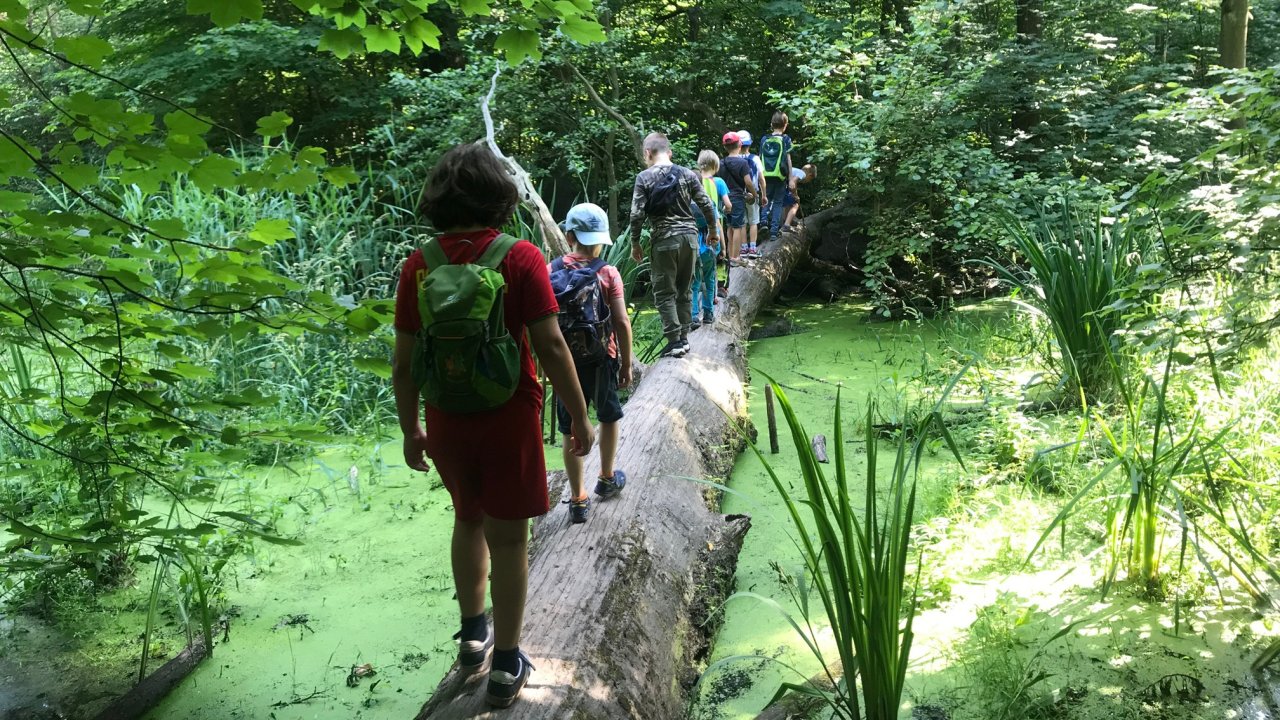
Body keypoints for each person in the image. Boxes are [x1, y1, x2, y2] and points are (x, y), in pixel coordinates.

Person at [392, 144, 595, 709]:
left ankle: (472, 635)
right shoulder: (520, 257)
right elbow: (551, 345)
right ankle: (506, 663)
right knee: (508, 539)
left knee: (467, 519)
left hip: (446, 417)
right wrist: (579, 415)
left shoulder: (419, 264)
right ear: (499, 197)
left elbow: (404, 363)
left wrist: (411, 428)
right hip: (509, 414)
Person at [549, 203, 634, 524]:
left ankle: (577, 498)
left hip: (563, 365)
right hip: (602, 360)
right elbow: (622, 322)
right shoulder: (608, 273)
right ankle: (607, 477)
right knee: (608, 416)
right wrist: (626, 364)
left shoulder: (549, 271)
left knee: (570, 427)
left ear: (569, 236)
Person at [629, 132, 719, 358]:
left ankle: (674, 340)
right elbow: (706, 204)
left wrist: (635, 242)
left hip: (664, 240)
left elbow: (636, 214)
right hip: (690, 239)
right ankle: (684, 338)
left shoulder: (644, 178)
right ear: (668, 152)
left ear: (648, 153)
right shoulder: (687, 173)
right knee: (684, 289)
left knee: (664, 292)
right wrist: (713, 231)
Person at [692, 150, 730, 328]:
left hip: (692, 248)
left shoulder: (685, 206)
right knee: (709, 279)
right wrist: (723, 248)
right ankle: (708, 313)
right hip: (709, 247)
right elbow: (717, 225)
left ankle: (693, 315)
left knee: (694, 282)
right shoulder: (709, 204)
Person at [716, 132, 757, 269]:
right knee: (738, 227)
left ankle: (729, 255)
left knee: (729, 226)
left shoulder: (721, 163)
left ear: (725, 147)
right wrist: (754, 194)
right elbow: (748, 182)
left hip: (724, 198)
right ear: (740, 144)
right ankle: (736, 257)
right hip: (737, 198)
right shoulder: (743, 163)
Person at [760, 111, 795, 240]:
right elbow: (788, 160)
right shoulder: (786, 139)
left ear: (772, 124)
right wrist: (790, 179)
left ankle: (763, 222)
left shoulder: (764, 139)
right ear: (785, 125)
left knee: (766, 199)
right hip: (780, 176)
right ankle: (774, 232)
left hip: (765, 175)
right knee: (778, 203)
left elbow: (760, 158)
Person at [736, 130, 765, 259]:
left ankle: (743, 249)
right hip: (753, 194)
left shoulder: (734, 159)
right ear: (749, 144)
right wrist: (763, 195)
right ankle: (752, 249)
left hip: (738, 194)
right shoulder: (755, 158)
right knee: (753, 222)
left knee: (742, 222)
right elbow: (761, 179)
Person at [782, 163, 816, 232]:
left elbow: (794, 185)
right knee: (795, 205)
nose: (807, 181)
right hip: (784, 185)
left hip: (781, 183)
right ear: (810, 175)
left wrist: (795, 195)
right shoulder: (802, 173)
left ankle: (786, 221)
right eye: (809, 179)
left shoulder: (796, 171)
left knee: (788, 204)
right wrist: (795, 195)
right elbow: (793, 182)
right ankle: (786, 225)